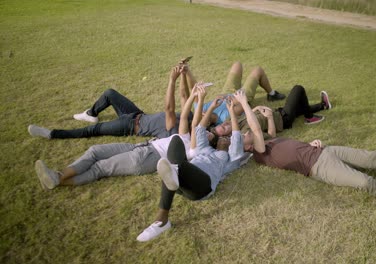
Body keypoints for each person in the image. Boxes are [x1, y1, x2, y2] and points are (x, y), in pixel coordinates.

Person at [236, 91, 376, 207]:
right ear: (245, 146)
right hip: (317, 167)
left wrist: (266, 117)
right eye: (245, 134)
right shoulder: (258, 153)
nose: (249, 131)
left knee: (374, 158)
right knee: (365, 182)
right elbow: (254, 129)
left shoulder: (268, 141)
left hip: (323, 150)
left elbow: (269, 132)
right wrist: (245, 104)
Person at [136, 90, 264, 242]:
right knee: (176, 140)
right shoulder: (204, 149)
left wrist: (232, 113)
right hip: (184, 179)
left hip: (202, 185)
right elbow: (199, 129)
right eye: (222, 137)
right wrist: (211, 107)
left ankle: (164, 210)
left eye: (228, 138)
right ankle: (171, 187)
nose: (225, 138)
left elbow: (236, 136)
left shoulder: (232, 158)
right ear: (215, 141)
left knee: (174, 167)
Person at [33, 82, 209, 189]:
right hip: (142, 142)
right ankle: (57, 177)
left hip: (145, 155)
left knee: (100, 167)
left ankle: (57, 177)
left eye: (207, 132)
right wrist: (194, 91)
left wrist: (200, 101)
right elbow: (186, 106)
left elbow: (192, 122)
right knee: (94, 150)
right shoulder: (185, 130)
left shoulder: (192, 146)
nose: (205, 131)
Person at [28, 63, 191, 139]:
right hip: (136, 114)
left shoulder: (177, 131)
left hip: (129, 126)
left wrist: (171, 80)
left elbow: (169, 108)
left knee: (93, 130)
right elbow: (184, 96)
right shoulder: (188, 117)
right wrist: (183, 74)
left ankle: (51, 134)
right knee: (110, 93)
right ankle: (91, 113)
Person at [211, 84, 332, 141]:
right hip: (283, 119)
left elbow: (246, 114)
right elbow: (271, 136)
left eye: (222, 125)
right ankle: (309, 117)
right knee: (298, 89)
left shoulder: (231, 121)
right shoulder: (245, 134)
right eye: (225, 128)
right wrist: (269, 118)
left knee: (300, 108)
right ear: (229, 135)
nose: (225, 124)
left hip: (278, 112)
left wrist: (256, 108)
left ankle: (323, 105)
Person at [192, 61, 286, 126]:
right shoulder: (224, 118)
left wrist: (186, 71)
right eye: (203, 115)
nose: (202, 112)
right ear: (207, 122)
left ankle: (247, 85)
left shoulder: (200, 110)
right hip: (240, 96)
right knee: (258, 70)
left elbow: (194, 91)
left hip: (227, 92)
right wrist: (229, 98)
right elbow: (241, 105)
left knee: (237, 65)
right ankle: (272, 94)